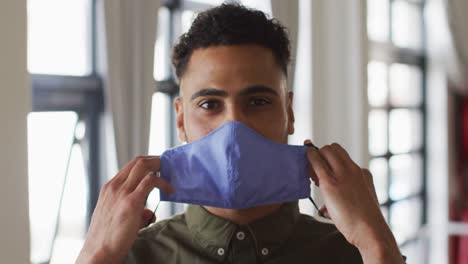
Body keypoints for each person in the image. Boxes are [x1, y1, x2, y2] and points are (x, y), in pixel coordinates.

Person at [76, 3, 405, 264]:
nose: (235, 127)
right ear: (180, 120)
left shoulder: (356, 253)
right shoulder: (128, 257)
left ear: (288, 113)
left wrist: (378, 245)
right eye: (209, 104)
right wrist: (94, 257)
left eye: (258, 101)